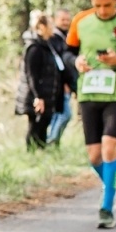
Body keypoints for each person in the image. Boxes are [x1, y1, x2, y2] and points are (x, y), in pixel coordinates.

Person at [68, 0, 116, 228]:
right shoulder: (80, 21)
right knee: (94, 155)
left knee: (110, 147)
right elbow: (67, 52)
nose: (102, 10)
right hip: (88, 92)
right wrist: (76, 62)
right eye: (97, 5)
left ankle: (106, 207)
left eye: (107, 5)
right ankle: (111, 183)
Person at [17, 10, 65, 150]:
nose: (53, 29)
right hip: (37, 97)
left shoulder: (48, 46)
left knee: (43, 127)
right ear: (42, 26)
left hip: (48, 95)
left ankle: (41, 153)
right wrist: (38, 97)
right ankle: (30, 155)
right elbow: (32, 75)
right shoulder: (34, 48)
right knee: (35, 127)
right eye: (51, 25)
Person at [46, 8, 78, 145]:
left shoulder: (68, 37)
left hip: (68, 83)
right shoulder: (53, 39)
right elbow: (57, 64)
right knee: (64, 114)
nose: (65, 22)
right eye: (62, 19)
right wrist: (63, 83)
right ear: (55, 20)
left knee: (58, 114)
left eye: (67, 19)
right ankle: (51, 140)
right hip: (59, 84)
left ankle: (53, 142)